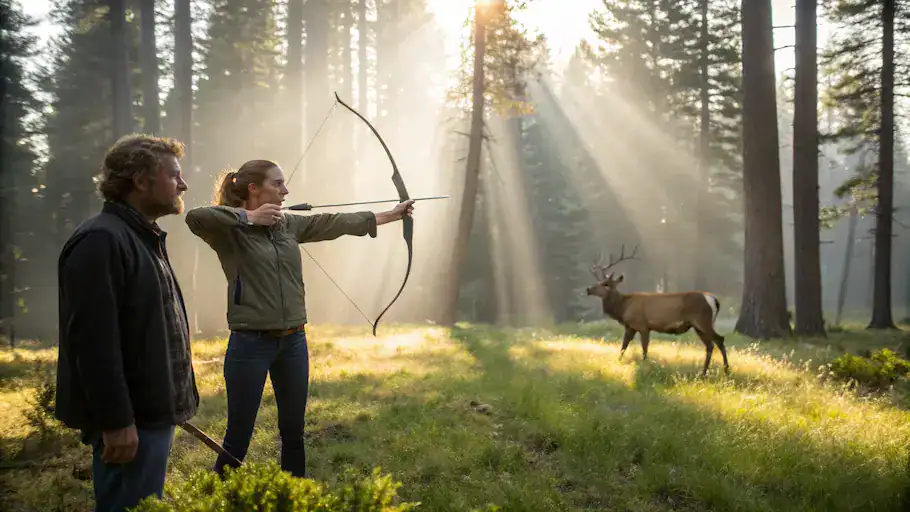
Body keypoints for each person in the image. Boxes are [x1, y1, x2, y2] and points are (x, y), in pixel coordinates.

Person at [184, 159, 414, 478]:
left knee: (294, 431)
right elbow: (194, 217)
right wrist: (248, 217)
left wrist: (391, 215)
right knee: (238, 434)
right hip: (250, 343)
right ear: (253, 189)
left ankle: (294, 492)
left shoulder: (288, 224)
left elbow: (334, 222)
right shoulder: (228, 231)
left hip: (293, 341)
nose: (286, 190)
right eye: (277, 183)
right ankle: (221, 492)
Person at [55, 134, 199, 511]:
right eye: (174, 175)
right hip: (131, 419)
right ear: (140, 180)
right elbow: (94, 343)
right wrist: (117, 421)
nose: (182, 184)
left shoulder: (139, 236)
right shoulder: (101, 240)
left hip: (149, 413)